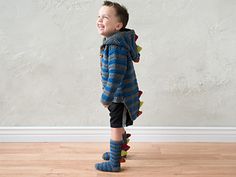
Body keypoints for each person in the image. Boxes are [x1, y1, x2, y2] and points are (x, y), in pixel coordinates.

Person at [95, 1, 143, 172]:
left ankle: (114, 163)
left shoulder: (115, 46)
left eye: (105, 17)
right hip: (120, 94)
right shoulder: (114, 41)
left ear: (118, 25)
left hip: (118, 95)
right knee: (119, 123)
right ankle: (119, 152)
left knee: (115, 126)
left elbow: (116, 74)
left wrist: (106, 96)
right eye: (98, 16)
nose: (100, 20)